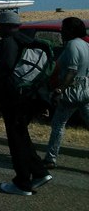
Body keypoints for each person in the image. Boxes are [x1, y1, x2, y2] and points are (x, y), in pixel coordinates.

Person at [0, 11, 52, 196]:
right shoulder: (27, 40)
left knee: (16, 141)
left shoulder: (9, 43)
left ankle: (22, 183)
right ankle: (40, 173)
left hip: (15, 100)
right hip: (30, 97)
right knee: (22, 137)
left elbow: (5, 74)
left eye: (0, 25)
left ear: (5, 26)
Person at [44, 17, 89, 168]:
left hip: (72, 92)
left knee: (58, 124)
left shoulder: (72, 45)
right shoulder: (85, 45)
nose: (61, 31)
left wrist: (60, 89)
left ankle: (51, 158)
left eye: (64, 28)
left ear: (71, 30)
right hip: (86, 91)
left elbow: (72, 70)